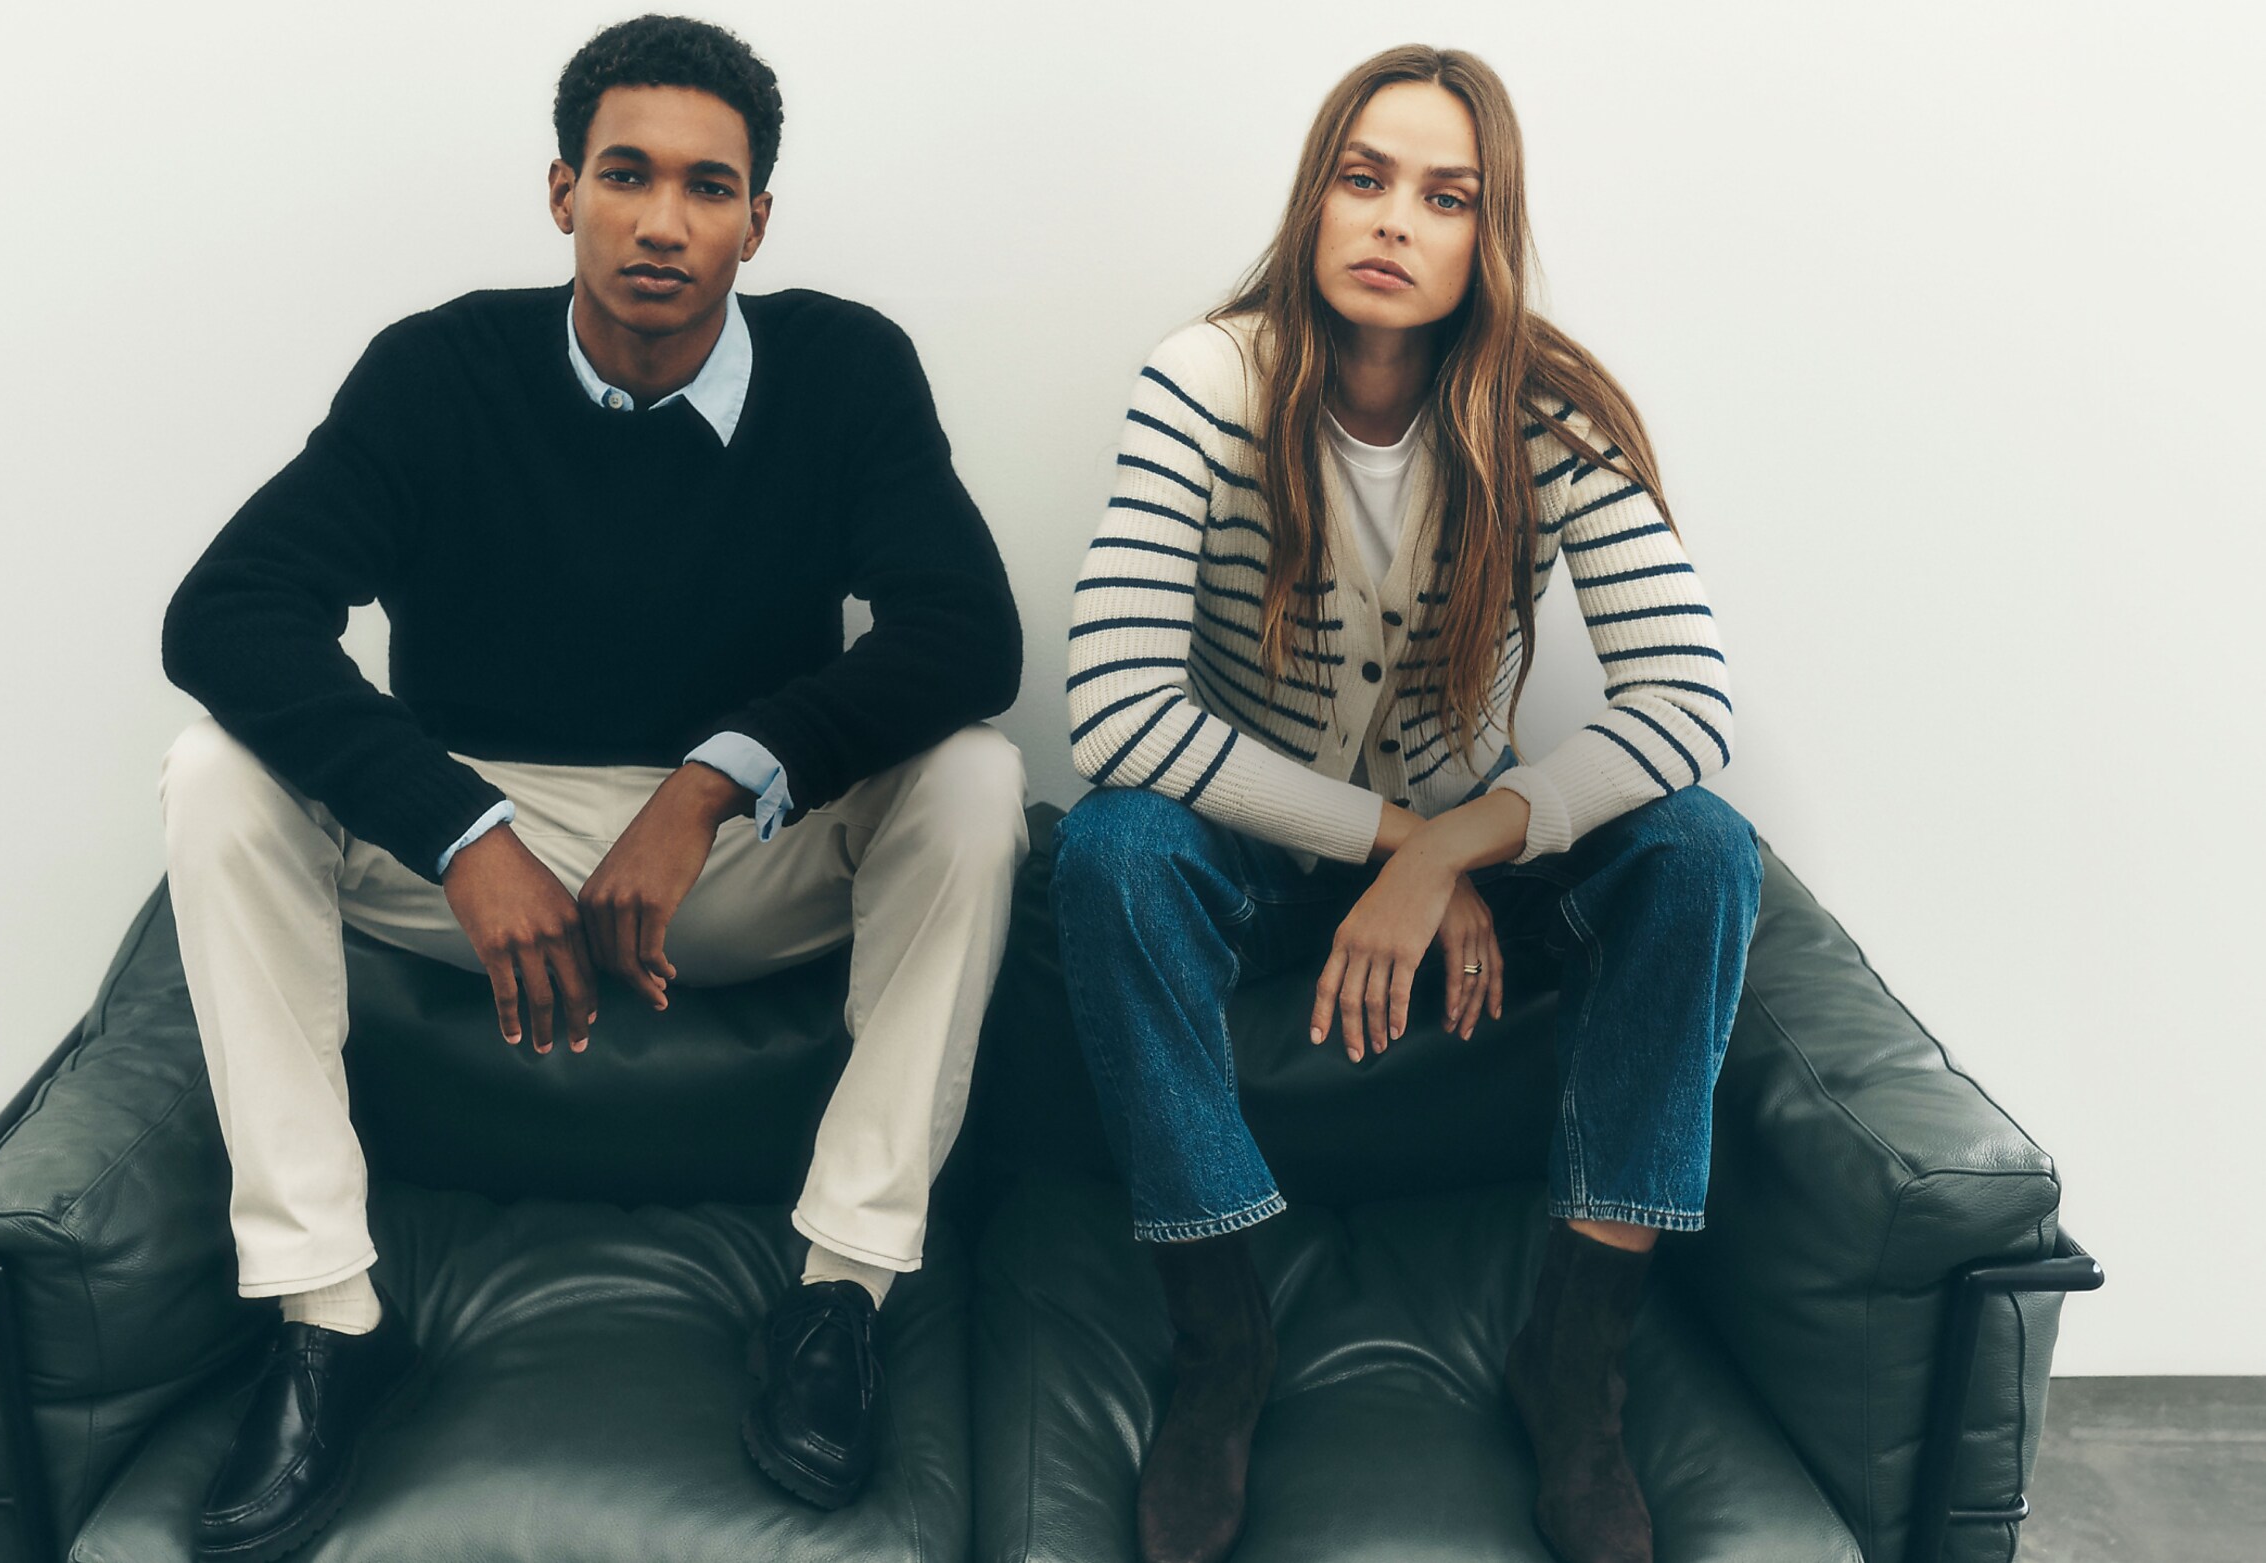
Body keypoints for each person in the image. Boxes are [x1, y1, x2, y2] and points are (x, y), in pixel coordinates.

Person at [157, 14, 1027, 1556]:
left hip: (726, 861)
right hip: (474, 841)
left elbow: (968, 636)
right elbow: (224, 616)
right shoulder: (437, 371)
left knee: (973, 780)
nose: (662, 222)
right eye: (627, 176)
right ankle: (329, 1315)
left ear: (758, 220)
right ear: (563, 192)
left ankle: (838, 1294)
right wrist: (458, 829)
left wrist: (709, 785)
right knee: (215, 770)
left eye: (707, 187)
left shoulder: (845, 370)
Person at [1051, 44, 1761, 1563]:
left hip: (1471, 846)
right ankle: (1222, 1340)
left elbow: (1690, 703)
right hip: (1255, 857)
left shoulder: (1547, 410)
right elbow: (1112, 705)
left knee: (1703, 848)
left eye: (1447, 197)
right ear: (1315, 199)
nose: (1393, 220)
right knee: (1108, 850)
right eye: (1364, 179)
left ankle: (1577, 1358)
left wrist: (1458, 850)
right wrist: (1396, 848)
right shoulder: (1209, 379)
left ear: (1489, 236)